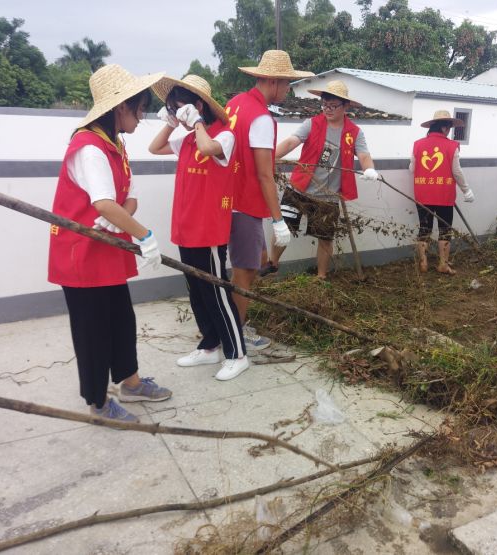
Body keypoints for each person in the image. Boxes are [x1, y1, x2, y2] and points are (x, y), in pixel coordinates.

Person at [48, 64, 172, 422]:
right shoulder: (89, 147)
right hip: (82, 254)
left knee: (121, 319)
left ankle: (130, 382)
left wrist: (120, 214)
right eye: (140, 108)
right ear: (121, 107)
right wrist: (144, 235)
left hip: (106, 249)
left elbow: (128, 197)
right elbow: (103, 203)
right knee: (93, 331)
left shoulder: (114, 144)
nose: (142, 115)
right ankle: (99, 403)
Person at [148, 75, 248, 381]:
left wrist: (199, 122)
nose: (181, 113)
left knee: (217, 292)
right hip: (185, 226)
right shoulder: (185, 138)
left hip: (209, 230)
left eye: (183, 106)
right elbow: (155, 147)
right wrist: (170, 122)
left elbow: (208, 149)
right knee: (196, 291)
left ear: (200, 105)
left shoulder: (224, 134)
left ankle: (237, 353)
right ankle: (209, 346)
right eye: (175, 107)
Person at [225, 50, 314, 348]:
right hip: (246, 203)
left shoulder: (236, 104)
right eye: (287, 84)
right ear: (274, 82)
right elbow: (264, 174)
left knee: (251, 263)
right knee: (245, 271)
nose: (287, 91)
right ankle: (238, 333)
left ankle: (231, 326)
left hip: (229, 198)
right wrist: (278, 221)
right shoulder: (262, 118)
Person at [265, 80, 380, 279]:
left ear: (345, 106)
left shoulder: (354, 133)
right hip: (298, 189)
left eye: (333, 106)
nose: (327, 109)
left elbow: (363, 155)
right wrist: (268, 156)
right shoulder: (312, 124)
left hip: (328, 197)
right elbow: (292, 141)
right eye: (324, 104)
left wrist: (369, 169)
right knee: (284, 228)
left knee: (325, 238)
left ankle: (321, 276)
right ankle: (272, 264)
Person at [410, 110, 475, 274]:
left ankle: (423, 263)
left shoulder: (417, 144)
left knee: (424, 228)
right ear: (445, 128)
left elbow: (412, 168)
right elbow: (457, 171)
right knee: (444, 230)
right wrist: (466, 190)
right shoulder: (451, 146)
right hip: (443, 194)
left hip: (422, 193)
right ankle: (442, 264)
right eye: (450, 127)